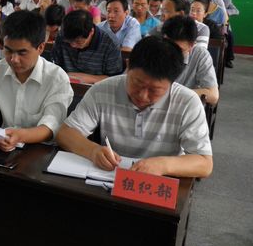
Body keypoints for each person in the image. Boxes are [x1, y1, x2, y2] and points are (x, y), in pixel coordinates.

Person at [56, 36, 213, 179]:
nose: (143, 96)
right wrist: (93, 151)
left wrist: (163, 165)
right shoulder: (102, 90)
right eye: (137, 83)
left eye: (155, 90)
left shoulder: (187, 102)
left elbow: (204, 163)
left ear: (172, 82)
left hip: (156, 185)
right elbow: (65, 133)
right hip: (108, 178)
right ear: (128, 65)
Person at [0, 11, 73, 151]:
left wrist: (20, 136)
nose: (14, 59)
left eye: (22, 53)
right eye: (8, 50)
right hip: (4, 144)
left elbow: (50, 126)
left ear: (40, 47)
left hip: (41, 150)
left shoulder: (57, 78)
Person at [52, 10, 123, 83]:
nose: (72, 45)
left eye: (78, 42)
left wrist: (86, 78)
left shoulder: (110, 44)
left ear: (91, 32)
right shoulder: (62, 36)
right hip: (64, 85)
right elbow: (55, 67)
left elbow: (115, 79)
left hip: (98, 88)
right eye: (68, 42)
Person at [162, 16, 219, 105]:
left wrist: (171, 94)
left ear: (191, 45)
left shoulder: (200, 54)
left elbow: (213, 95)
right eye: (169, 46)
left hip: (184, 106)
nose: (172, 53)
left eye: (179, 50)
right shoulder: (155, 49)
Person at [212, 0, 237, 67]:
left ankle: (228, 59)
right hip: (211, 24)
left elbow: (236, 11)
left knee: (230, 36)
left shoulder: (227, 1)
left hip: (223, 24)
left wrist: (224, 11)